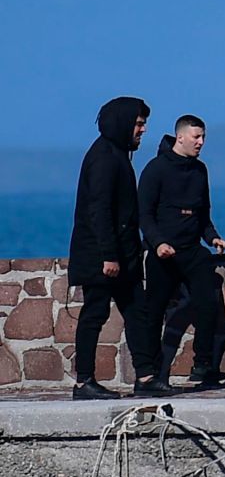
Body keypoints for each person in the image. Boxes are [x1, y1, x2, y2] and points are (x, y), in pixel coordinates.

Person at [68, 97, 175, 400]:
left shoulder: (117, 155)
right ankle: (84, 381)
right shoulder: (103, 157)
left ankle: (146, 376)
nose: (142, 130)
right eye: (138, 124)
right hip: (103, 257)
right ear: (123, 123)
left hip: (123, 258)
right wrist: (108, 255)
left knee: (136, 313)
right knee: (94, 314)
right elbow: (99, 210)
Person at [138, 115, 225, 386]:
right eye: (196, 137)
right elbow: (145, 214)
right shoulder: (156, 169)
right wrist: (158, 243)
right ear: (180, 137)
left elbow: (203, 213)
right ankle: (150, 373)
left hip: (192, 251)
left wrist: (212, 237)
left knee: (208, 303)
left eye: (203, 138)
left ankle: (203, 365)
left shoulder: (200, 171)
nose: (200, 143)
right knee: (154, 312)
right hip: (163, 253)